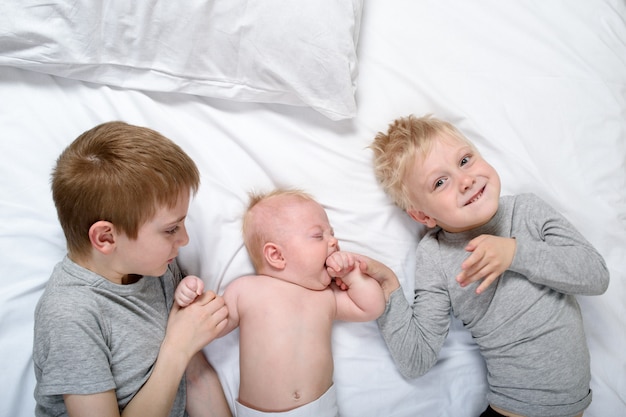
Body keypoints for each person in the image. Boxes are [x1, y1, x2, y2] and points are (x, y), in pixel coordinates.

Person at [330, 114, 610, 417]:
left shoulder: (527, 212)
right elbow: (417, 360)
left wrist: (515, 252)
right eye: (440, 182)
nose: (465, 181)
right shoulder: (435, 254)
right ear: (423, 217)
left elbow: (596, 276)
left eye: (464, 160)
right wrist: (389, 290)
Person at [33, 121, 232, 417]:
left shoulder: (157, 269)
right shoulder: (70, 314)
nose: (185, 239)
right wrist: (177, 347)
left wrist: (188, 340)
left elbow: (195, 375)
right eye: (170, 229)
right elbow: (181, 351)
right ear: (106, 237)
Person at [175, 189, 386, 417]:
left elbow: (372, 307)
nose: (334, 241)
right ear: (276, 255)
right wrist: (192, 298)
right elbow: (209, 327)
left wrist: (352, 275)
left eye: (332, 234)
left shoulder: (326, 296)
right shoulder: (245, 290)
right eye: (318, 235)